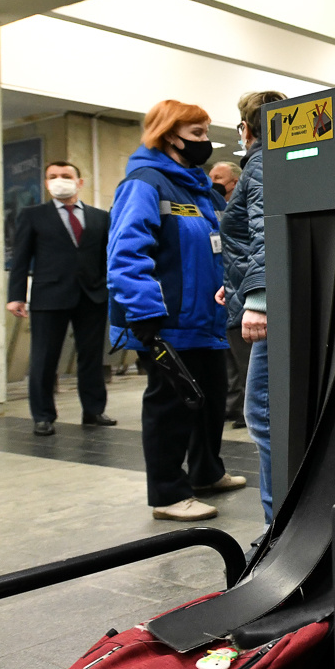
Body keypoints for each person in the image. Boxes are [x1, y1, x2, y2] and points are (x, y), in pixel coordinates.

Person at [107, 101, 247, 521]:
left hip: (207, 319)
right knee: (170, 404)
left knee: (209, 400)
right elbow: (126, 253)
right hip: (167, 321)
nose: (206, 142)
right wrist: (146, 313)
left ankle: (206, 471)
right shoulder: (145, 184)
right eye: (199, 134)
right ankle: (167, 494)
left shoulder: (197, 189)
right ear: (171, 135)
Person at [7, 160, 116, 436]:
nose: (59, 180)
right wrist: (16, 296)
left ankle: (93, 410)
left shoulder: (99, 217)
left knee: (91, 357)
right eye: (52, 176)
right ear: (46, 183)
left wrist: (110, 289)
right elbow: (20, 258)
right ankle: (43, 415)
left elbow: (108, 257)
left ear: (79, 182)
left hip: (92, 295)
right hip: (49, 295)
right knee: (44, 358)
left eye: (66, 176)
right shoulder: (33, 215)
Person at [222, 89, 283, 522]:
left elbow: (264, 231)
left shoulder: (260, 164)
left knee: (261, 414)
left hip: (272, 306)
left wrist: (258, 299)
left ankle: (275, 533)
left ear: (246, 128)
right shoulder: (285, 162)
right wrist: (238, 286)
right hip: (268, 294)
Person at [209, 159, 249, 428]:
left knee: (245, 359)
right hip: (223, 289)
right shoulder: (210, 209)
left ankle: (247, 407)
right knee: (228, 357)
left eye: (218, 177)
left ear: (235, 182)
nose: (212, 181)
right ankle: (232, 405)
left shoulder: (244, 207)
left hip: (242, 291)